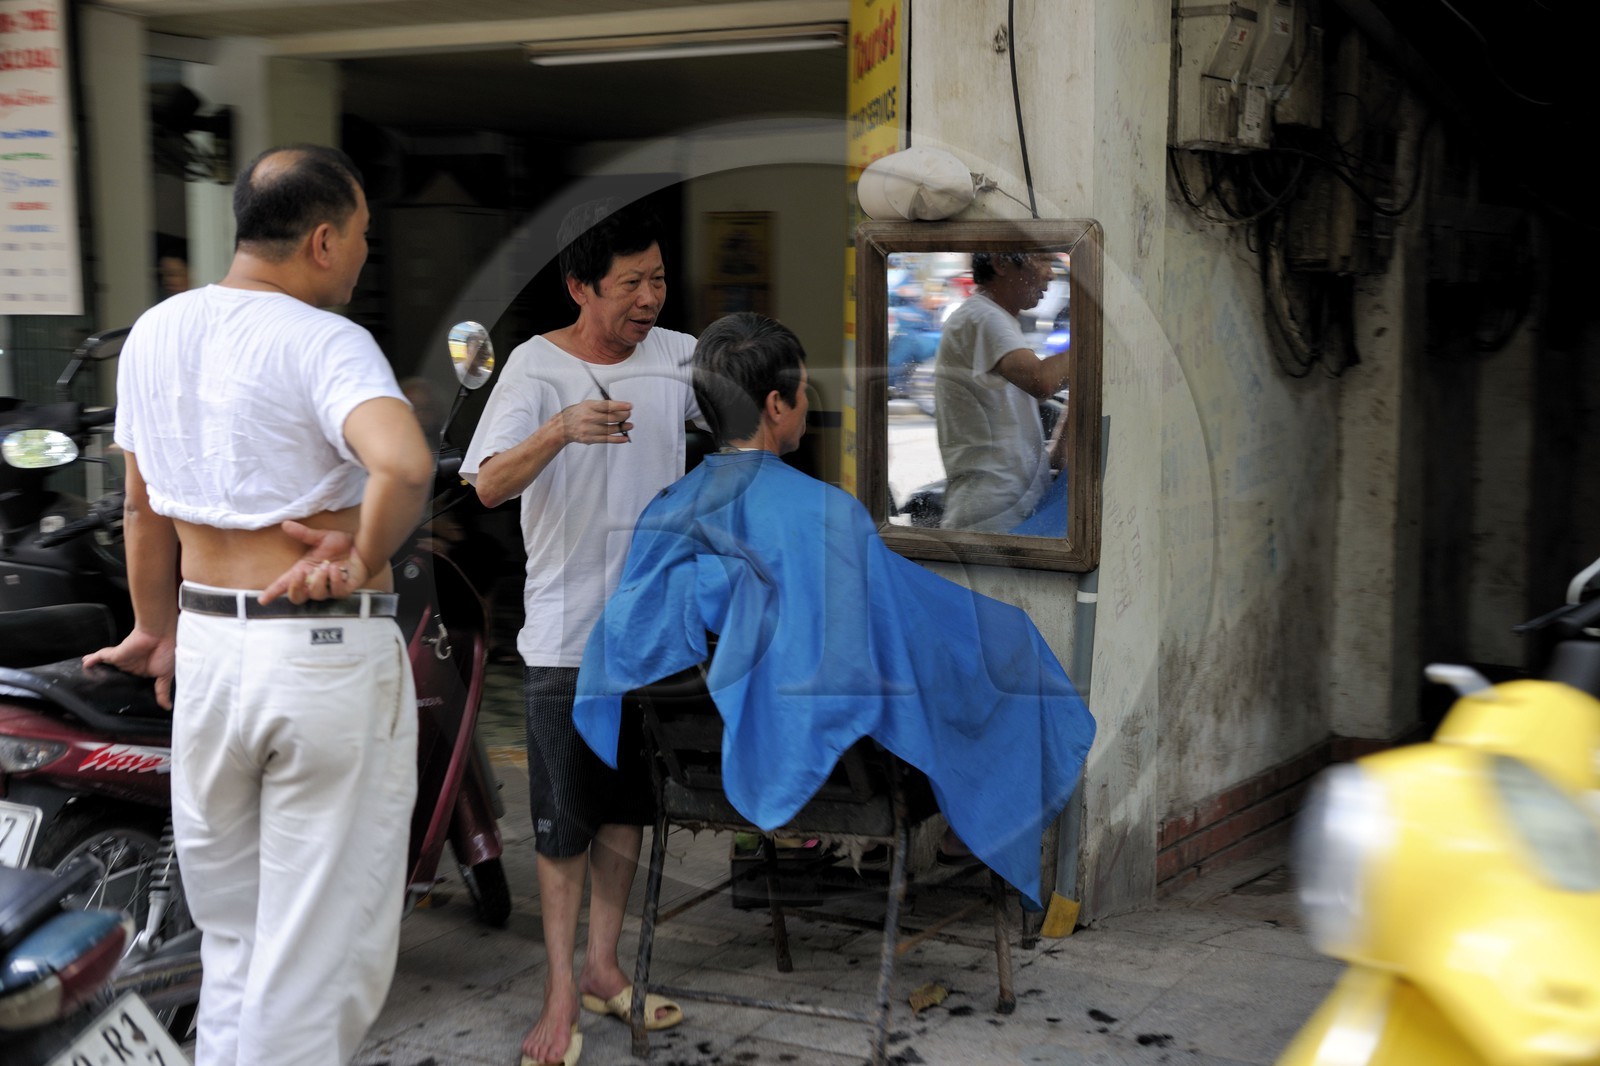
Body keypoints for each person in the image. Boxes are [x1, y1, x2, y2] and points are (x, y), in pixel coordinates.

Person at [85, 145, 433, 1066]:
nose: (363, 257)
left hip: (204, 652)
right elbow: (404, 464)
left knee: (233, 942)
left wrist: (153, 630)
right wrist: (363, 554)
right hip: (317, 658)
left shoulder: (155, 331)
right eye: (362, 237)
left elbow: (141, 503)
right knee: (316, 962)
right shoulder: (325, 340)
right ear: (323, 240)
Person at [573, 313, 1096, 913]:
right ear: (776, 404)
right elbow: (886, 647)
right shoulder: (826, 514)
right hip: (848, 772)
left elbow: (636, 641)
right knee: (1005, 659)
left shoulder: (665, 510)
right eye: (802, 391)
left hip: (695, 767)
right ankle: (968, 832)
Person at [461, 199, 698, 1066]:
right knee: (562, 821)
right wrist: (560, 431)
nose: (650, 298)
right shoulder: (534, 368)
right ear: (579, 288)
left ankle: (602, 965)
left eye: (659, 279)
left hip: (651, 634)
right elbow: (487, 485)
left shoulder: (679, 357)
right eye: (631, 283)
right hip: (566, 634)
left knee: (628, 807)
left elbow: (750, 410)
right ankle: (559, 992)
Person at [933, 251, 1069, 531]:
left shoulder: (999, 320)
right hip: (993, 518)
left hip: (1008, 511)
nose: (1051, 273)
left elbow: (1038, 393)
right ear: (1001, 262)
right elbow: (1040, 380)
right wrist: (1098, 334)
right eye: (1042, 260)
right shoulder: (982, 316)